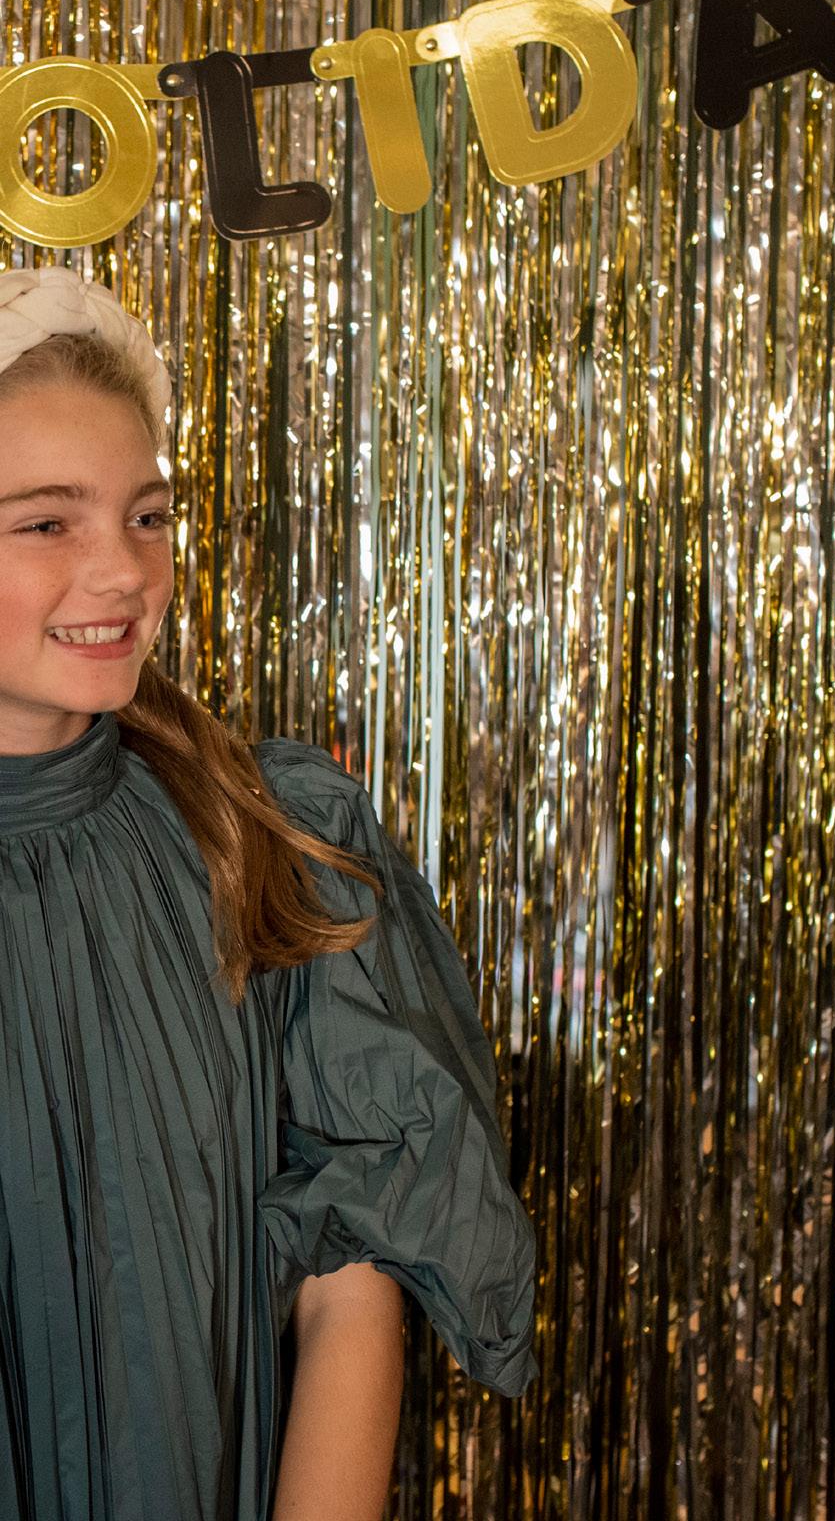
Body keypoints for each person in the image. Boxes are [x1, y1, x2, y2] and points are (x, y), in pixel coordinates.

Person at [0, 267, 538, 1521]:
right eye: (46, 524)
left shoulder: (266, 834)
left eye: (146, 515)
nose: (123, 572)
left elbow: (351, 1277)